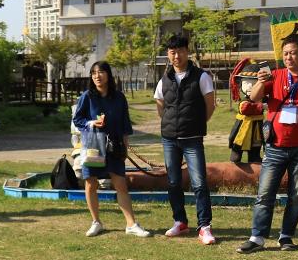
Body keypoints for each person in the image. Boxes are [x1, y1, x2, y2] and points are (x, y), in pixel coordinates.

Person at [238, 33, 298, 253]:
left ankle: (286, 236)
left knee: (297, 194)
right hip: (275, 146)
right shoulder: (275, 75)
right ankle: (257, 237)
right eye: (285, 54)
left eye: (292, 53)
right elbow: (253, 98)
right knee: (265, 193)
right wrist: (261, 83)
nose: (288, 57)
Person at [72, 61, 153, 239]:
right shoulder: (87, 96)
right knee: (91, 183)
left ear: (108, 75)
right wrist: (92, 122)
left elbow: (125, 125)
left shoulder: (119, 98)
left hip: (114, 145)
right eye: (93, 73)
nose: (97, 76)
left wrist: (125, 148)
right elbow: (77, 120)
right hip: (93, 145)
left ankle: (131, 224)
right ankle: (96, 222)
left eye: (101, 72)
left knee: (120, 184)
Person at [154, 34, 217, 245]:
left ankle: (204, 226)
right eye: (172, 52)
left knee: (199, 182)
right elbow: (160, 105)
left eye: (180, 50)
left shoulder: (201, 76)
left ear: (187, 51)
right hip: (169, 139)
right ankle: (180, 221)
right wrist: (170, 124)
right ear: (167, 55)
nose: (176, 55)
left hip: (192, 138)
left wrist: (198, 123)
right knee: (173, 182)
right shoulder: (165, 79)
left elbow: (210, 105)